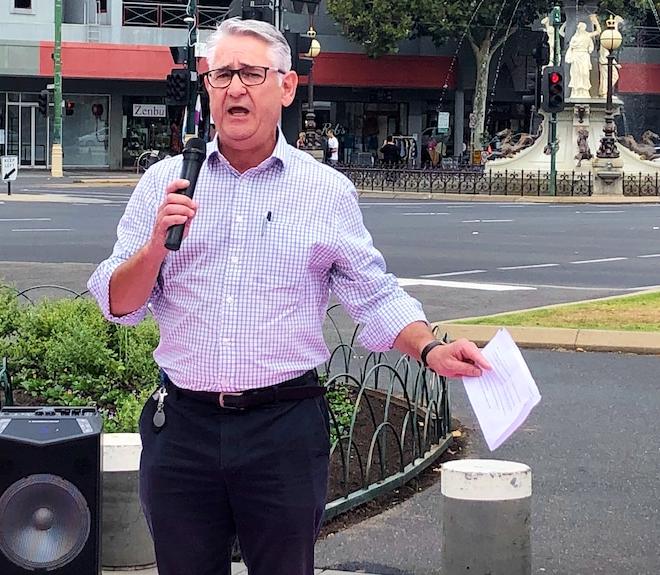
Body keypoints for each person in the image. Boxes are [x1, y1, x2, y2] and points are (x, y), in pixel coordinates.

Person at [87, 17, 489, 575]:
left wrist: (429, 349)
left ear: (286, 86)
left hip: (282, 431)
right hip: (182, 429)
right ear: (207, 86)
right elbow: (116, 301)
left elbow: (373, 293)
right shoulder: (166, 183)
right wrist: (155, 247)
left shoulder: (325, 191)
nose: (235, 88)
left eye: (251, 73)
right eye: (222, 74)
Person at [565, 19, 600, 99]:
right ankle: (576, 92)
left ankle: (584, 91)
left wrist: (596, 23)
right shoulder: (574, 38)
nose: (583, 29)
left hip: (584, 56)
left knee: (584, 73)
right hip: (576, 56)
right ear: (579, 29)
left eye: (584, 28)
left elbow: (598, 31)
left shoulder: (587, 35)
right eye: (582, 28)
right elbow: (571, 48)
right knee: (575, 74)